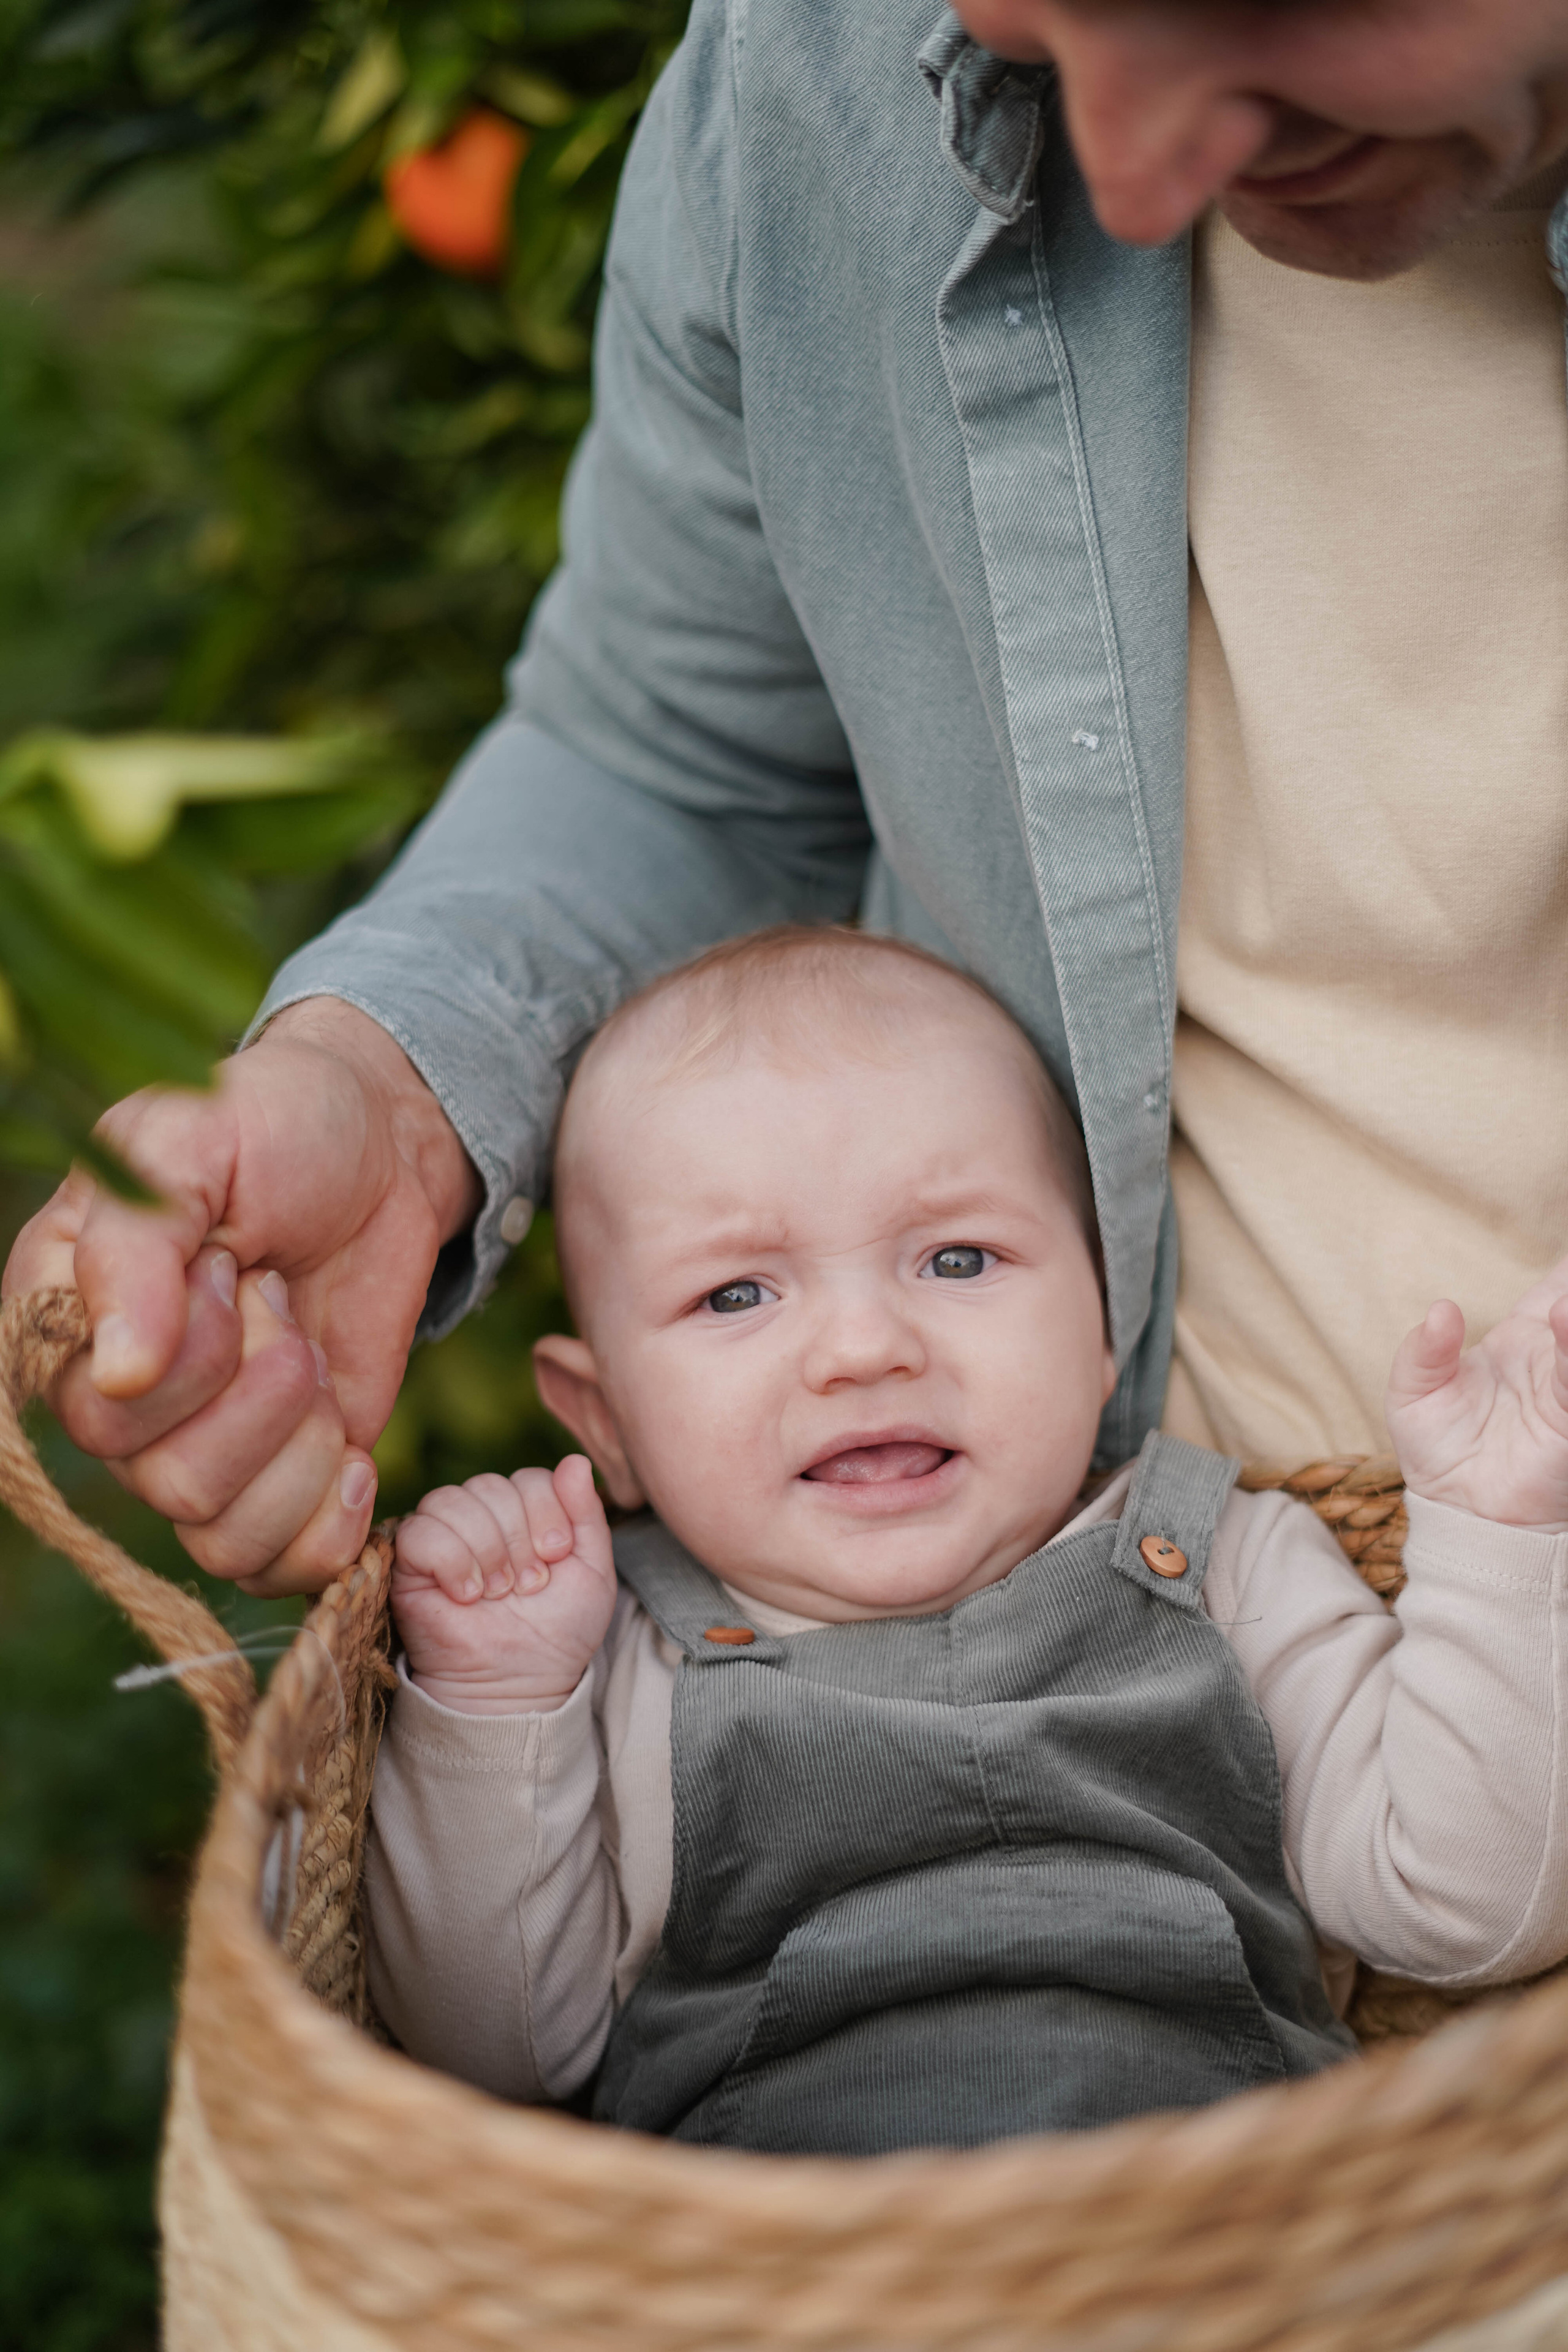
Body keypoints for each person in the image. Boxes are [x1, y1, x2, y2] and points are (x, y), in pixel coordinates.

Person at [7, 0, 1568, 1590]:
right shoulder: (817, 70)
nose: (1127, 170)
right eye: (1035, 29)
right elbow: (685, 759)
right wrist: (388, 1086)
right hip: (1118, 1616)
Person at [364, 927, 1568, 2152]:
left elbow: (1466, 1909)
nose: (863, 1348)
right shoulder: (614, 1662)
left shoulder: (1226, 1565)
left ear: (1103, 1330)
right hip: (785, 2248)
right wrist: (497, 1706)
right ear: (607, 1422)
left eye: (956, 1258)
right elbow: (492, 2053)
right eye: (736, 1294)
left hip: (1227, 2226)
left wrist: (1495, 1528)